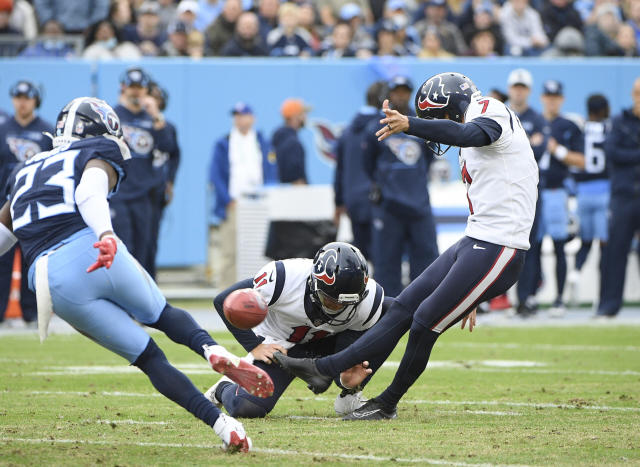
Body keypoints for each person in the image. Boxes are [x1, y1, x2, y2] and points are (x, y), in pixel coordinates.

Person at [0, 97, 274, 451]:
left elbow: (4, 236)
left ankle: (223, 426)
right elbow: (88, 192)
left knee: (149, 359)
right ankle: (211, 350)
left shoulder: (22, 170)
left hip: (50, 280)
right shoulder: (96, 150)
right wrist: (106, 235)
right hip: (91, 246)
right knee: (162, 314)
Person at [273, 71, 538, 420]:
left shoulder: (489, 108)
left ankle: (387, 403)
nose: (436, 126)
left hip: (500, 246)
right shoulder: (478, 116)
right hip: (478, 241)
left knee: (425, 321)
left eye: (437, 116)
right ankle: (324, 369)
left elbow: (467, 133)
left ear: (453, 104)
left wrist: (411, 124)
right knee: (402, 307)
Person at [204, 242, 391, 418]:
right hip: (280, 346)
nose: (338, 308)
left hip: (329, 341)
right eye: (331, 301)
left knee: (391, 312)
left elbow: (350, 347)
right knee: (246, 407)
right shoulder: (284, 278)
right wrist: (256, 346)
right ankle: (223, 388)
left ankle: (350, 398)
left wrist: (345, 381)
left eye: (347, 304)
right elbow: (225, 300)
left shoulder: (369, 300)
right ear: (314, 284)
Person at [366, 76, 438, 298]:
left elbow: (430, 158)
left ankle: (426, 306)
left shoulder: (420, 125)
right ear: (389, 93)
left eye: (405, 91)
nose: (401, 95)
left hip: (419, 205)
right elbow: (367, 163)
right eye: (396, 91)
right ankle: (386, 310)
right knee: (386, 263)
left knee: (427, 262)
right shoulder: (375, 126)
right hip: (389, 207)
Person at [110, 67, 174, 275]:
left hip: (145, 193)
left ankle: (147, 301)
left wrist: (156, 117)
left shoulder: (153, 119)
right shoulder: (113, 116)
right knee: (124, 247)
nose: (136, 92)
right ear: (123, 88)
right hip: (120, 192)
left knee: (145, 248)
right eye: (132, 87)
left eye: (140, 88)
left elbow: (168, 149)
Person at [208, 102, 277, 288]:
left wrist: (269, 198)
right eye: (236, 116)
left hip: (259, 205)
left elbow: (271, 171)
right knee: (230, 252)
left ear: (252, 118)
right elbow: (215, 175)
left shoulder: (262, 142)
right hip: (234, 205)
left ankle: (260, 294)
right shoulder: (225, 143)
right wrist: (227, 200)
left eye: (243, 115)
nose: (239, 119)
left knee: (259, 251)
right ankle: (226, 294)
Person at [0, 80, 52, 327]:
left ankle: (32, 315)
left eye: (27, 98)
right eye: (18, 97)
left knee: (34, 261)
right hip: (5, 206)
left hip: (34, 208)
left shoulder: (46, 132)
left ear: (35, 101)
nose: (22, 102)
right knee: (2, 261)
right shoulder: (2, 129)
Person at [539, 80, 585, 316]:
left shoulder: (569, 126)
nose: (551, 100)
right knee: (530, 246)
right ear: (542, 97)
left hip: (557, 190)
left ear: (562, 99)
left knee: (558, 245)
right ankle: (529, 297)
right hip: (532, 192)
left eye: (555, 96)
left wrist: (558, 150)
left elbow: (582, 160)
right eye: (548, 95)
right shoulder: (532, 121)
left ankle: (558, 298)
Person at [506, 68, 549, 316]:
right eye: (516, 87)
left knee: (527, 246)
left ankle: (526, 297)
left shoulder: (537, 118)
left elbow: (540, 151)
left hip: (529, 191)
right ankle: (494, 298)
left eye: (523, 87)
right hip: (504, 190)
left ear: (528, 91)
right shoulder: (502, 114)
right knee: (497, 245)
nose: (519, 91)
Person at [596, 78, 640, 318]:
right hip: (623, 196)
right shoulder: (620, 121)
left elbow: (622, 154)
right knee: (615, 252)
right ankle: (609, 304)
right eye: (637, 93)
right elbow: (612, 152)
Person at [333, 81, 386, 260]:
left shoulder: (347, 131)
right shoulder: (383, 129)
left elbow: (339, 169)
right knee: (382, 259)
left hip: (353, 200)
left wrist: (338, 202)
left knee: (359, 258)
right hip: (378, 200)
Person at [567, 94, 610, 305]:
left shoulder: (580, 129)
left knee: (585, 242)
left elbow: (574, 161)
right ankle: (603, 295)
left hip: (583, 192)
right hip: (605, 191)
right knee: (604, 244)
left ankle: (575, 273)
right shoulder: (610, 129)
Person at [147, 81, 180, 279]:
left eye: (157, 99)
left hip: (155, 188)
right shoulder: (133, 123)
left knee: (150, 239)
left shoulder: (168, 127)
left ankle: (150, 282)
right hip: (133, 189)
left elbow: (174, 154)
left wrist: (170, 181)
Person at [271, 98, 310, 184]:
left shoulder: (277, 138)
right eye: (303, 114)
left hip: (280, 192)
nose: (306, 117)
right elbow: (297, 179)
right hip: (294, 195)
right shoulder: (293, 143)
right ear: (295, 116)